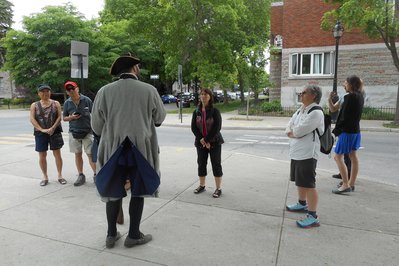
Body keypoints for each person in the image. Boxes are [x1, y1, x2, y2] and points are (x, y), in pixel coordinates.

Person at [91, 53, 166, 248]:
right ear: (134, 68)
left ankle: (111, 234)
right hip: (140, 149)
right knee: (138, 192)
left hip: (113, 149)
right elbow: (159, 119)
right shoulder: (149, 90)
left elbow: (96, 127)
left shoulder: (104, 91)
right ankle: (133, 235)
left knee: (113, 192)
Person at [285, 85, 324, 228]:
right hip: (296, 151)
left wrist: (294, 132)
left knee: (309, 184)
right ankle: (302, 203)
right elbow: (289, 125)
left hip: (308, 153)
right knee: (300, 181)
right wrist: (292, 131)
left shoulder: (316, 112)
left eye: (304, 92)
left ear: (313, 95)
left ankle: (313, 216)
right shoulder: (301, 109)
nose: (301, 94)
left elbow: (300, 130)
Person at [332, 75, 364, 194]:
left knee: (338, 157)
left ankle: (345, 184)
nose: (344, 85)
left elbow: (343, 117)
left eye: (345, 83)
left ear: (351, 84)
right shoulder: (360, 96)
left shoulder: (349, 97)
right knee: (353, 156)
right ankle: (351, 183)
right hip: (356, 131)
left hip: (347, 132)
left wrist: (337, 131)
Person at [30, 84, 66, 186]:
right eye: (43, 91)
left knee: (57, 154)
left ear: (50, 92)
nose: (45, 93)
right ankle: (45, 176)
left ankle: (60, 175)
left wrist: (53, 128)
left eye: (47, 91)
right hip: (40, 133)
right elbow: (32, 119)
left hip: (55, 132)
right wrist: (41, 129)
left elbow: (59, 117)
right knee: (42, 155)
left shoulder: (56, 103)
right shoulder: (34, 105)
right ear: (39, 93)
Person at [191, 88, 224, 198]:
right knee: (201, 163)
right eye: (202, 94)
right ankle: (202, 185)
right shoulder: (196, 111)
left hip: (214, 142)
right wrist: (202, 139)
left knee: (216, 164)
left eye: (206, 94)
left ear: (210, 97)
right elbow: (194, 127)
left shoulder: (215, 111)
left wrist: (207, 140)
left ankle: (218, 188)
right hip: (201, 143)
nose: (203, 96)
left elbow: (217, 127)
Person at [63, 81, 96, 186]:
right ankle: (81, 175)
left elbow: (94, 114)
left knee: (90, 154)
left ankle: (96, 175)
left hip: (87, 131)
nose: (71, 91)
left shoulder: (86, 100)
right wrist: (72, 117)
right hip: (74, 132)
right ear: (67, 92)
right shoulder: (67, 103)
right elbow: (64, 118)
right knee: (78, 154)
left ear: (77, 89)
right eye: (69, 89)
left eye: (73, 88)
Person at [328, 86, 352, 182]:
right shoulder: (344, 97)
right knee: (345, 155)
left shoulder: (352, 97)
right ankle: (345, 174)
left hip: (347, 130)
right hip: (344, 130)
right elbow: (333, 109)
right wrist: (329, 99)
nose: (344, 85)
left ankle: (347, 180)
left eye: (346, 83)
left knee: (342, 156)